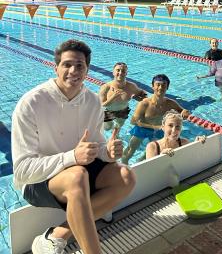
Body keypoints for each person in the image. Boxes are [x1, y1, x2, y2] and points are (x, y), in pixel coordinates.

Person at [11, 39, 135, 254]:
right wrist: (72, 157)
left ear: (87, 69)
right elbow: (22, 171)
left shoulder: (92, 101)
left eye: (80, 65)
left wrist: (108, 151)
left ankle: (57, 234)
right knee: (77, 175)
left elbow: (97, 145)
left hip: (80, 172)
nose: (73, 71)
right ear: (55, 67)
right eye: (67, 64)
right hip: (39, 182)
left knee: (125, 176)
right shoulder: (32, 103)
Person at [121, 74, 190, 164]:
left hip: (158, 130)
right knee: (131, 149)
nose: (160, 87)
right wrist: (154, 126)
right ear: (152, 86)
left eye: (163, 85)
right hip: (142, 129)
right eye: (158, 84)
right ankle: (123, 165)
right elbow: (133, 121)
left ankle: (141, 160)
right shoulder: (144, 104)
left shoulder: (170, 103)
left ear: (167, 87)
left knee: (155, 151)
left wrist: (185, 111)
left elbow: (182, 111)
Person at [99, 62, 147, 132]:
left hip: (123, 111)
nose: (120, 73)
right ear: (113, 72)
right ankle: (111, 126)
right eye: (118, 70)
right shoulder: (106, 87)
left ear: (126, 74)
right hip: (108, 111)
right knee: (107, 128)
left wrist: (140, 99)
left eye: (123, 71)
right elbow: (102, 104)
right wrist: (113, 97)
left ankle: (115, 135)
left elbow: (143, 93)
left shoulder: (131, 86)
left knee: (118, 126)